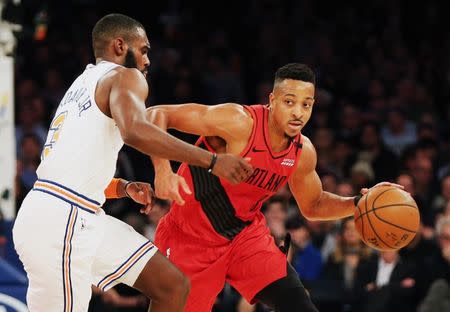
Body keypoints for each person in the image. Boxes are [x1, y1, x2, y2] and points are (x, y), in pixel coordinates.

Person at [12, 13, 252, 312]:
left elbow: (68, 172)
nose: (148, 60)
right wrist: (212, 161)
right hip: (63, 220)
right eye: (144, 50)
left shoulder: (82, 84)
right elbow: (136, 130)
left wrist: (122, 188)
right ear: (120, 45)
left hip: (71, 212)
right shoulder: (125, 75)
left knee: (171, 285)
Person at [146, 63, 402, 312]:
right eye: (289, 102)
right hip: (190, 239)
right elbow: (157, 114)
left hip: (245, 238)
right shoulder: (238, 122)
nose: (298, 113)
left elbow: (313, 205)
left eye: (306, 104)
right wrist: (162, 171)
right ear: (273, 99)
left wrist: (358, 203)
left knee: (298, 304)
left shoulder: (303, 152)